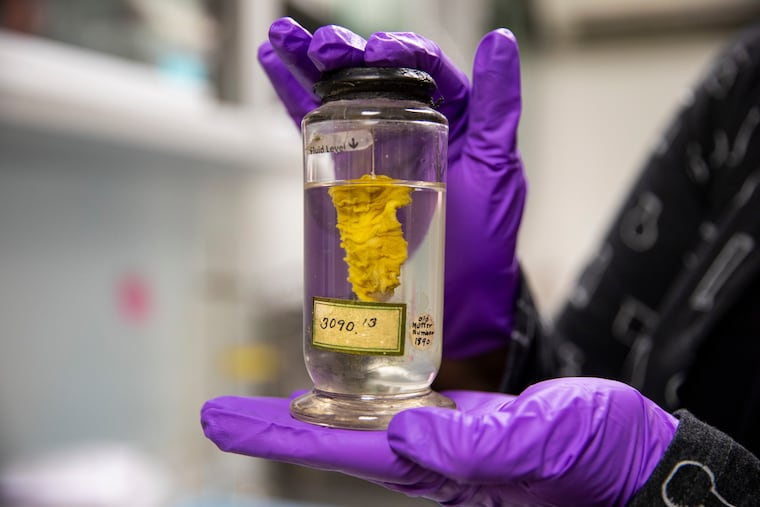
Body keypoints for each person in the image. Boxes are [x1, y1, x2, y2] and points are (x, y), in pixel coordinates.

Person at [201, 17, 760, 506]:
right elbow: (569, 393)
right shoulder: (743, 93)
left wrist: (679, 481)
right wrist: (482, 353)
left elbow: (592, 435)